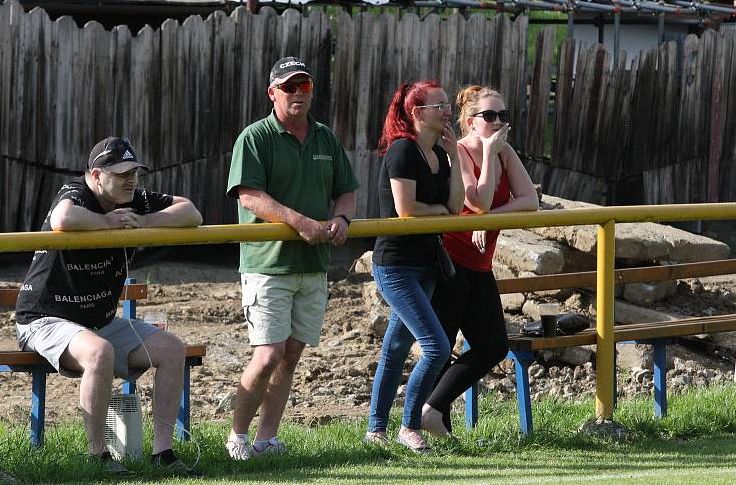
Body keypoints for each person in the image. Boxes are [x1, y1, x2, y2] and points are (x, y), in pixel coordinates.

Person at [15, 137, 203, 475]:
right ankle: (97, 457)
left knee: (172, 349)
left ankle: (163, 455)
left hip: (97, 322)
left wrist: (144, 223)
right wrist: (108, 224)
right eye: (121, 174)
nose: (131, 181)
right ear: (96, 175)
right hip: (44, 318)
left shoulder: (134, 200)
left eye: (134, 172)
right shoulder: (76, 192)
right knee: (99, 352)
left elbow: (192, 212)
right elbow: (62, 219)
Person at [225, 56, 359, 460]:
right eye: (289, 87)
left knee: (292, 354)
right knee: (267, 354)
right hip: (268, 263)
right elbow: (248, 194)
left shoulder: (325, 138)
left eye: (305, 86)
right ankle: (236, 439)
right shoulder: (254, 137)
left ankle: (266, 439)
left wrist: (342, 217)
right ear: (273, 93)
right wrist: (298, 221)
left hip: (313, 263)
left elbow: (347, 189)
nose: (298, 93)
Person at [423, 85, 538, 435]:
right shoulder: (457, 151)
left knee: (492, 346)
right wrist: (488, 154)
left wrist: (487, 224)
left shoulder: (505, 152)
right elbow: (479, 201)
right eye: (490, 116)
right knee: (440, 348)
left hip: (480, 263)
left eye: (503, 116)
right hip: (450, 263)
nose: (498, 122)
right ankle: (428, 421)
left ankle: (430, 412)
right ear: (470, 122)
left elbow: (530, 199)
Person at [365, 79, 465, 452]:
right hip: (396, 265)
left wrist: (454, 156)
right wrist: (437, 210)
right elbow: (405, 209)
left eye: (446, 105)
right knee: (437, 347)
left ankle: (375, 430)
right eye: (439, 106)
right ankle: (409, 426)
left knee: (395, 348)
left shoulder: (438, 154)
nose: (447, 111)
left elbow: (456, 206)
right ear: (416, 113)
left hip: (426, 265)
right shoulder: (403, 150)